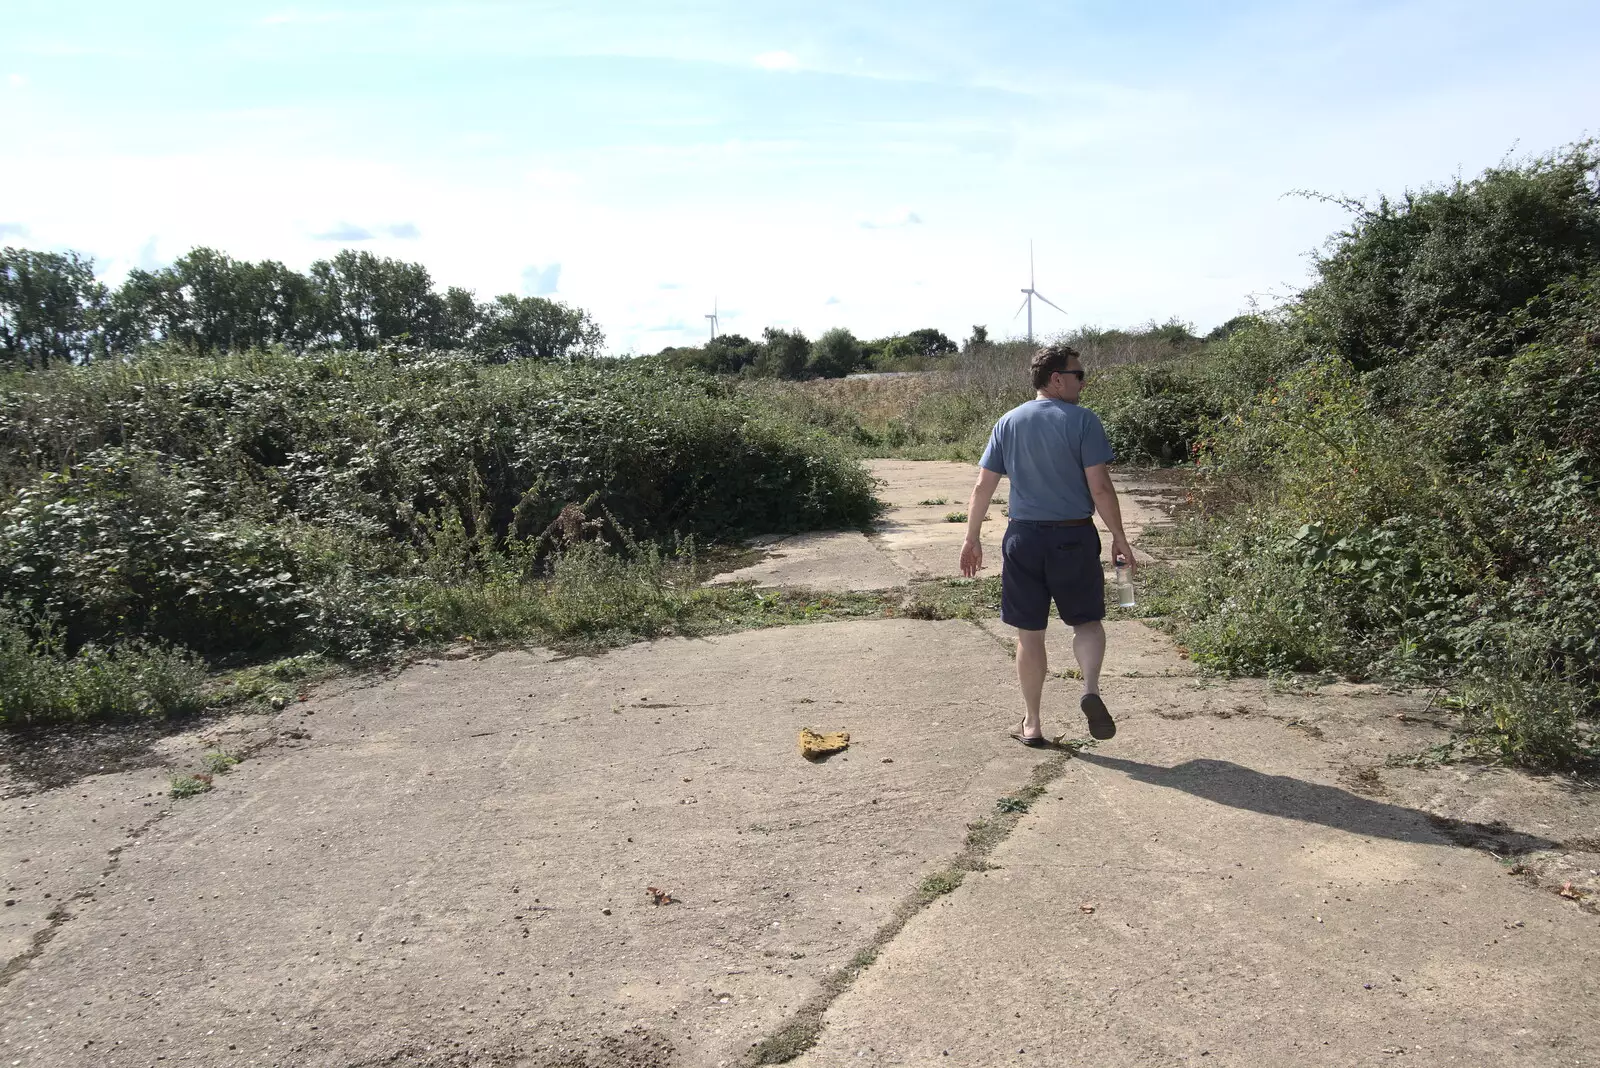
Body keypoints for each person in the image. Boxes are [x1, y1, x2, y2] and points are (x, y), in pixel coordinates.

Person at [958, 343, 1134, 746]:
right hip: (1073, 536)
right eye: (1078, 375)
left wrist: (971, 537)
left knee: (1029, 634)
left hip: (1023, 539)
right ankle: (1089, 689)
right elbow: (1101, 488)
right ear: (1057, 378)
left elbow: (983, 485)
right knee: (1086, 622)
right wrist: (1119, 538)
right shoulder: (1083, 421)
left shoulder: (1008, 422)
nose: (1083, 382)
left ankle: (1033, 723)